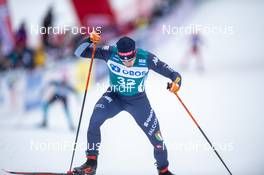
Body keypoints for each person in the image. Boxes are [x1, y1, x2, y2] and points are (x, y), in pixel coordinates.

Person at [73, 32, 182, 175]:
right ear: (118, 54)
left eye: (130, 59)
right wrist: (89, 40)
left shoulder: (146, 58)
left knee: (157, 138)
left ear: (135, 52)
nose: (127, 63)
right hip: (114, 96)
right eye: (123, 60)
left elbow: (175, 74)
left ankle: (164, 170)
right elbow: (79, 52)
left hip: (138, 101)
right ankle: (91, 163)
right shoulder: (110, 53)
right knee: (95, 118)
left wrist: (176, 84)